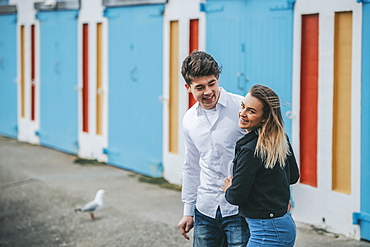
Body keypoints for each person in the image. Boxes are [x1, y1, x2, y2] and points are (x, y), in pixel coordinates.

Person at [177, 50, 250, 246]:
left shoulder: (242, 108)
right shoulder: (189, 120)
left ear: (217, 78)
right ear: (188, 87)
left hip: (239, 209)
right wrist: (188, 211)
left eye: (212, 83)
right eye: (199, 87)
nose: (208, 92)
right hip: (205, 210)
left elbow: (266, 153)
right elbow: (191, 167)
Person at [222, 84, 300, 247]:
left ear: (264, 117)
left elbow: (236, 196)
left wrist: (228, 188)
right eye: (243, 106)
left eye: (251, 111)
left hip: (267, 232)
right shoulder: (280, 139)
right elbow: (292, 176)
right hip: (282, 225)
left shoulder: (251, 150)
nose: (242, 113)